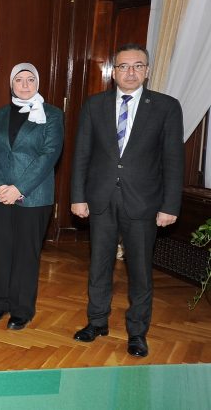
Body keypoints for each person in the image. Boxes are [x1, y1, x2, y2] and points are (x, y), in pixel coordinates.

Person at [70, 43, 183, 358]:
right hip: (101, 198)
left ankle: (137, 332)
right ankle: (96, 322)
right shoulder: (94, 105)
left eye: (137, 66)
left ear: (147, 71)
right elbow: (81, 154)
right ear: (113, 72)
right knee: (99, 265)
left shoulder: (166, 107)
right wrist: (78, 197)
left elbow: (173, 159)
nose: (130, 72)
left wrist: (170, 205)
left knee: (140, 271)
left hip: (144, 202)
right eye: (123, 66)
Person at [0, 63, 64, 330]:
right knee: (3, 249)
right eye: (19, 80)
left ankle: (22, 308)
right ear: (11, 85)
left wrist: (18, 188)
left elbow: (49, 155)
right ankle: (1, 301)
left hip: (33, 195)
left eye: (31, 79)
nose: (25, 84)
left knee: (26, 253)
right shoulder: (0, 114)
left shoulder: (52, 114)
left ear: (38, 83)